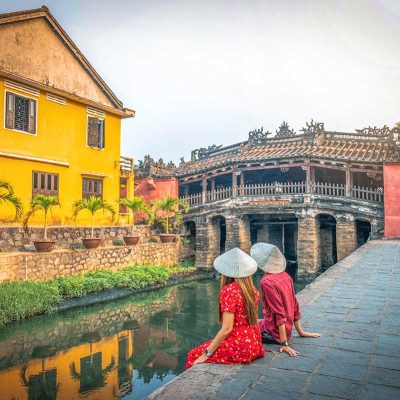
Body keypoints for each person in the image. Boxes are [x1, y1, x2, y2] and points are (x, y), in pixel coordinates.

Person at [186, 248, 265, 368]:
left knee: (193, 355)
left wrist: (206, 354)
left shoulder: (229, 291)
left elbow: (227, 329)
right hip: (255, 344)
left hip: (240, 347)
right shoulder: (253, 290)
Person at [251, 242, 321, 357]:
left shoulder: (266, 282)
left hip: (273, 333)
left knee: (241, 329)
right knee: (258, 322)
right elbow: (294, 305)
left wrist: (284, 343)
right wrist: (300, 332)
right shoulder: (286, 276)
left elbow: (279, 312)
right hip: (285, 330)